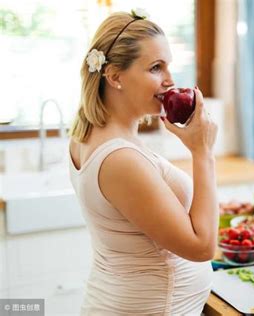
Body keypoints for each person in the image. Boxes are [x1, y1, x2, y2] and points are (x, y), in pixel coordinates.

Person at [68, 10, 219, 315]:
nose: (169, 80)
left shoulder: (86, 134)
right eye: (155, 67)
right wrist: (203, 152)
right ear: (114, 76)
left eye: (168, 66)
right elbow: (202, 248)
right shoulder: (120, 159)